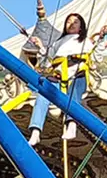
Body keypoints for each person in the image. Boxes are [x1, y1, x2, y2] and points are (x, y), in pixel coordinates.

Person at [27, 12, 89, 145]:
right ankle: (36, 131)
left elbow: (94, 54)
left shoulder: (84, 40)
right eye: (69, 21)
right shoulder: (58, 43)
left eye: (75, 22)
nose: (71, 24)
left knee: (74, 93)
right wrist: (40, 47)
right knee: (42, 95)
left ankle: (71, 124)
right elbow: (49, 59)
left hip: (76, 74)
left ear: (81, 27)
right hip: (59, 76)